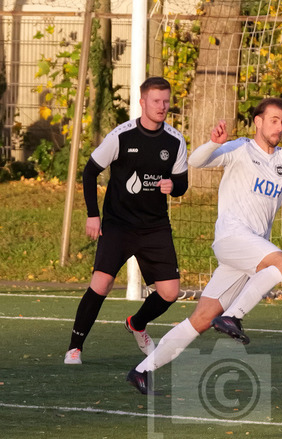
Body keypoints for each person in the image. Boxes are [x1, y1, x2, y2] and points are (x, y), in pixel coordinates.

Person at [126, 97, 282, 394]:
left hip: (250, 249)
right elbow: (196, 161)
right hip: (232, 236)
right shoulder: (239, 148)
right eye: (273, 120)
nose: (279, 127)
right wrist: (213, 143)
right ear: (258, 121)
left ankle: (141, 371)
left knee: (201, 319)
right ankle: (234, 316)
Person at [64, 77, 188, 364]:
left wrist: (173, 186)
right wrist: (93, 215)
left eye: (166, 101)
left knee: (170, 292)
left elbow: (181, 184)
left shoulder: (175, 140)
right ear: (142, 102)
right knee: (102, 283)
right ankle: (74, 347)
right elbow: (89, 172)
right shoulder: (121, 136)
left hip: (155, 226)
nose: (162, 106)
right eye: (156, 101)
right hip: (119, 224)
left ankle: (137, 323)